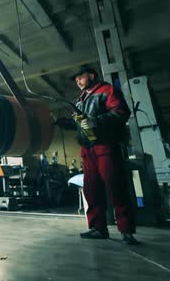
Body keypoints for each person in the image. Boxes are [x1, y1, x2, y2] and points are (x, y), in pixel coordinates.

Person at [55, 64, 139, 245]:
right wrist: (62, 123)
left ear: (91, 76)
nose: (78, 81)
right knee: (91, 189)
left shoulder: (106, 90)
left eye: (80, 77)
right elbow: (80, 124)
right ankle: (97, 228)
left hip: (105, 146)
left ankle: (126, 231)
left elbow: (121, 112)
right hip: (87, 150)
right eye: (76, 79)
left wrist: (96, 121)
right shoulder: (80, 100)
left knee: (115, 186)